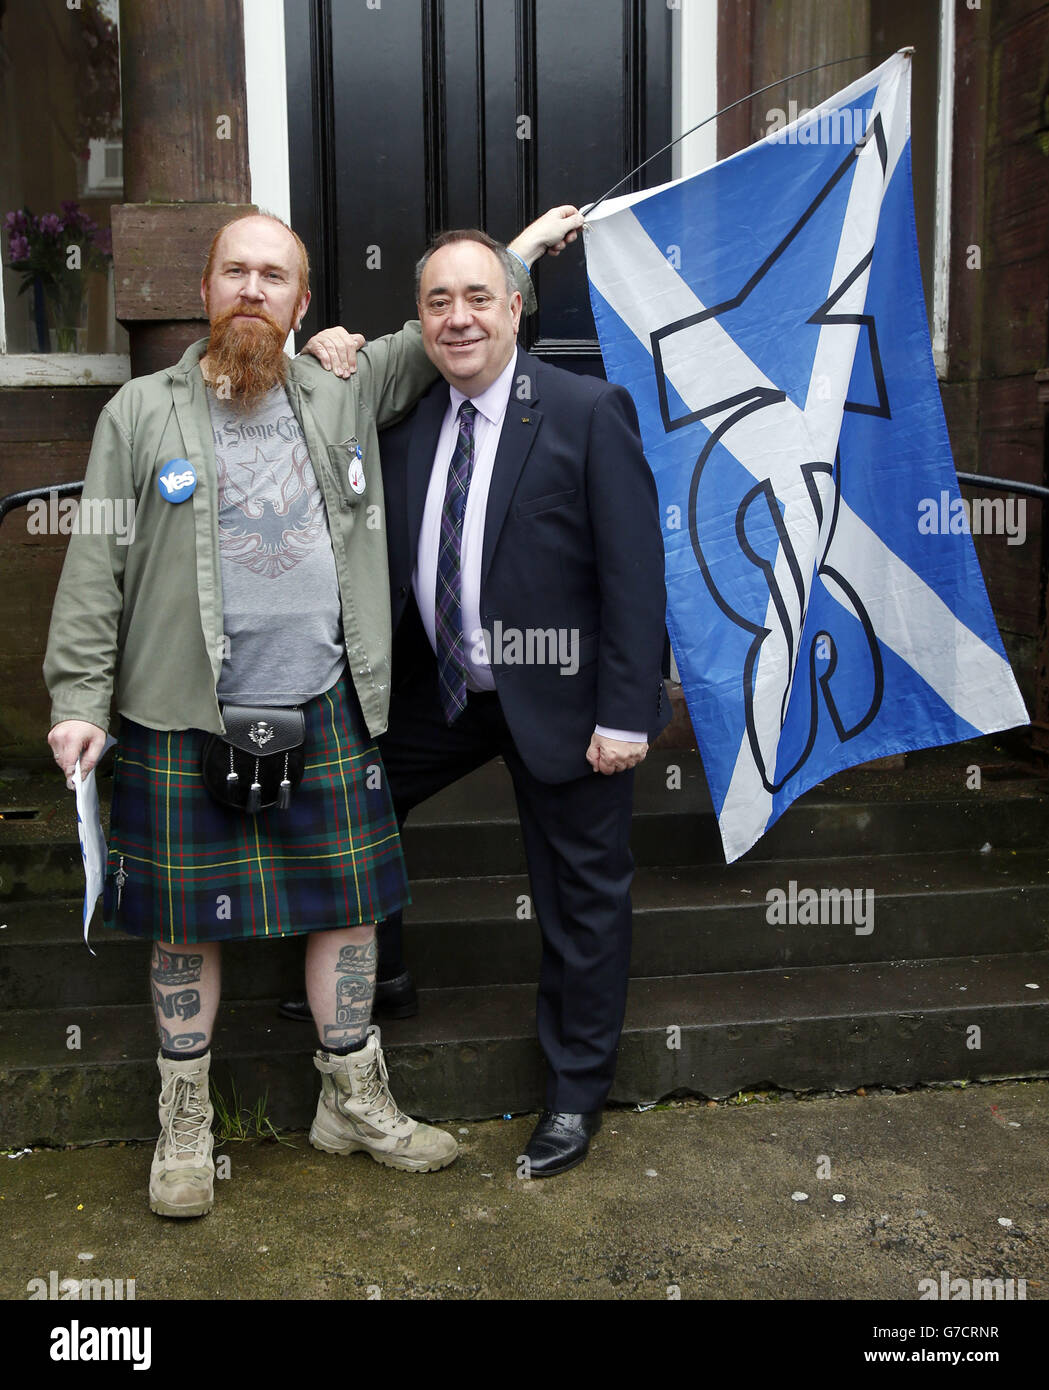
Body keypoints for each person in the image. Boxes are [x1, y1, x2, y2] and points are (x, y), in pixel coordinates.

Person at [43, 207, 578, 1217]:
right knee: (179, 925)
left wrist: (526, 245)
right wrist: (78, 699)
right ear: (204, 292)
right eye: (234, 273)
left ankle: (352, 1099)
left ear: (302, 303)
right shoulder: (138, 414)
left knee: (350, 904)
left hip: (325, 703)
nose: (253, 290)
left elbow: (453, 320)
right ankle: (186, 1122)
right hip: (178, 710)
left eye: (274, 277)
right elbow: (93, 572)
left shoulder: (344, 384)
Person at [289, 222, 670, 1176]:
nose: (458, 319)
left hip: (569, 699)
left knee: (580, 900)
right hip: (450, 691)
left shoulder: (587, 411)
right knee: (352, 790)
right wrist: (325, 345)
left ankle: (575, 1097)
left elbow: (634, 574)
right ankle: (388, 970)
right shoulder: (407, 420)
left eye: (478, 298)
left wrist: (628, 713)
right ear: (418, 323)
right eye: (436, 303)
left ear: (515, 308)